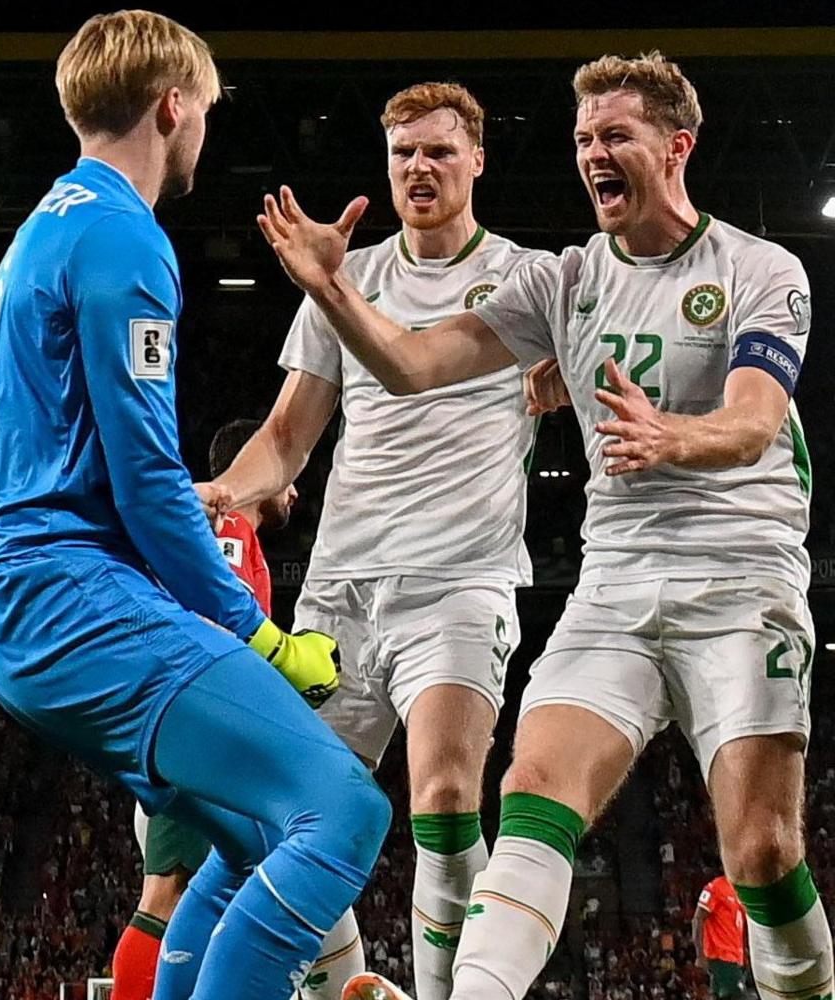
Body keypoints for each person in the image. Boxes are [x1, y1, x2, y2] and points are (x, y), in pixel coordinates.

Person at [258, 51, 834, 1000]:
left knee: (763, 853)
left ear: (676, 145)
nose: (593, 154)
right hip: (614, 585)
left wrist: (672, 436)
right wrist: (333, 289)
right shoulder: (562, 284)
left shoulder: (758, 269)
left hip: (740, 580)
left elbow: (755, 422)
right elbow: (407, 364)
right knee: (529, 798)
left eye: (616, 135)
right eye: (582, 140)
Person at [0, 9, 385, 1000]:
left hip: (27, 599)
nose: (202, 128)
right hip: (73, 598)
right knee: (343, 809)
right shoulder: (125, 237)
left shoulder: (47, 226)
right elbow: (148, 483)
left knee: (243, 843)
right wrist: (259, 636)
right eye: (200, 109)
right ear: (169, 107)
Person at [201, 82, 547, 1000]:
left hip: (460, 581)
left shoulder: (527, 278)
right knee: (294, 813)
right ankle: (346, 986)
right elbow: (285, 440)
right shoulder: (343, 282)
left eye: (438, 151)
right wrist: (220, 494)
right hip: (342, 588)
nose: (420, 169)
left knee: (441, 797)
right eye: (402, 155)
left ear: (478, 158)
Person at [109, 418, 299, 1000]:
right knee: (167, 891)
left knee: (205, 891)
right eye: (287, 474)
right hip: (198, 728)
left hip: (186, 731)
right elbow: (215, 624)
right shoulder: (230, 526)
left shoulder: (225, 528)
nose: (294, 489)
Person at [695, 874, 750, 999]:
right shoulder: (716, 887)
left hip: (736, 958)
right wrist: (700, 954)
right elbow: (698, 919)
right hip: (721, 955)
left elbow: (740, 926)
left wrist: (745, 950)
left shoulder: (740, 891)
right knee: (739, 996)